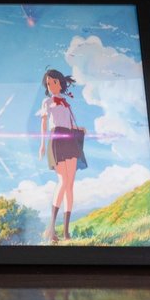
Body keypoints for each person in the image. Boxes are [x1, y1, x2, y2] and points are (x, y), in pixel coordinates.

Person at [37, 68, 87, 242]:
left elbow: (70, 124)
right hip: (57, 138)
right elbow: (44, 124)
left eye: (54, 82)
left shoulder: (66, 103)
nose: (51, 86)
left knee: (70, 185)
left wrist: (80, 129)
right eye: (48, 84)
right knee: (63, 182)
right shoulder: (47, 102)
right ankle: (51, 229)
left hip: (70, 139)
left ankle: (66, 233)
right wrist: (42, 145)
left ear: (60, 83)